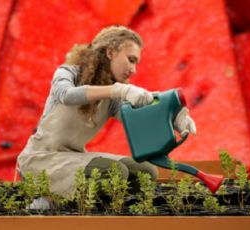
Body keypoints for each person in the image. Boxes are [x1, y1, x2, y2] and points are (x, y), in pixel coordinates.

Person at [17, 25, 196, 207]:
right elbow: (67, 95)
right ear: (110, 53)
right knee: (114, 172)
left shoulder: (112, 98)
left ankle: (99, 209)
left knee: (146, 172)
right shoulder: (67, 73)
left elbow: (140, 115)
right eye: (131, 60)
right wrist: (117, 90)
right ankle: (49, 201)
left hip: (75, 157)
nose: (133, 70)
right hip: (41, 159)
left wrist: (174, 116)